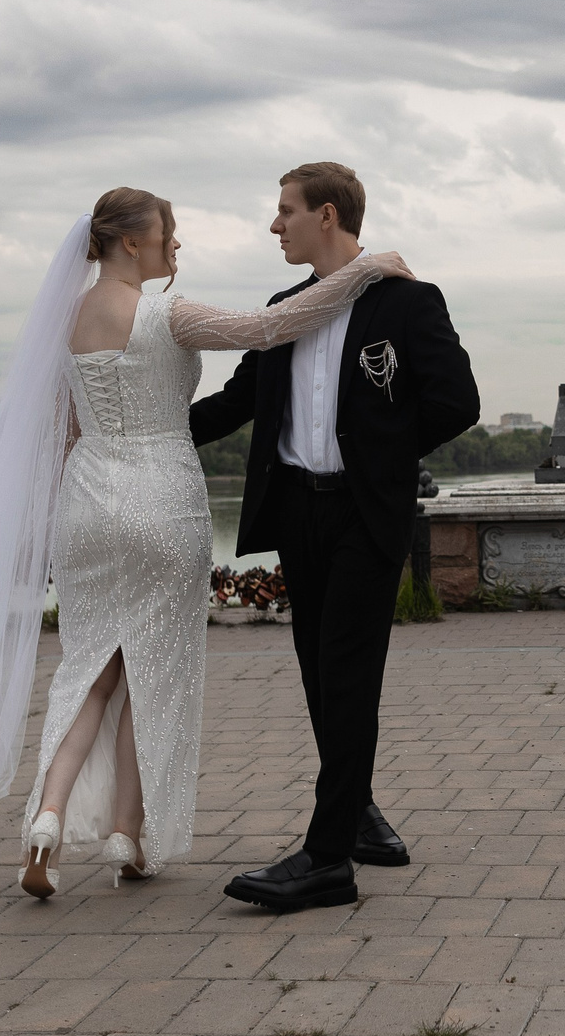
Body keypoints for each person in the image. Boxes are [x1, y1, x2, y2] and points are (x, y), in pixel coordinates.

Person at [0, 187, 411, 898]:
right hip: (162, 501)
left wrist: (45, 527)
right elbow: (268, 326)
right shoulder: (169, 314)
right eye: (169, 232)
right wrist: (365, 269)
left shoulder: (63, 322)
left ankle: (47, 818)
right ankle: (128, 835)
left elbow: (65, 432)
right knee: (154, 672)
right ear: (132, 242)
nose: (177, 244)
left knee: (89, 672)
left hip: (87, 504)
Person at [191, 162, 480, 912]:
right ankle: (357, 814)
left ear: (327, 215)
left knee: (348, 672)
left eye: (285, 210)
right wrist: (139, 435)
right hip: (297, 512)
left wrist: (383, 457)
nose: (274, 224)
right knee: (321, 675)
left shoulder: (408, 301)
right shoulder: (283, 309)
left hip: (363, 513)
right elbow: (236, 401)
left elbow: (458, 402)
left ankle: (326, 860)